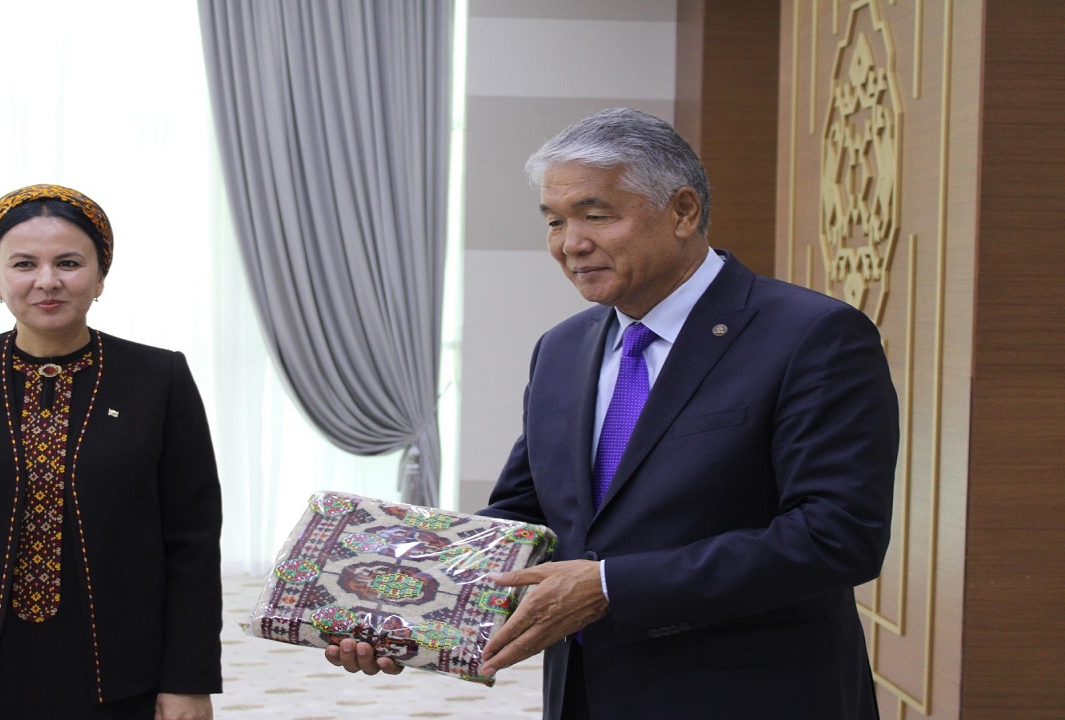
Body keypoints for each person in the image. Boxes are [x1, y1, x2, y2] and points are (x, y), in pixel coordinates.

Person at [326, 108, 899, 719]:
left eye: (595, 216)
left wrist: (609, 587)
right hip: (585, 695)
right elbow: (528, 516)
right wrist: (397, 606)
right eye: (554, 221)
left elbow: (837, 536)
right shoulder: (561, 348)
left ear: (683, 212)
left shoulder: (812, 335)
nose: (570, 244)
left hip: (752, 697)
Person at [0, 184, 223, 720]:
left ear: (100, 277)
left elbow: (192, 542)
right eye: (24, 264)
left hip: (123, 673)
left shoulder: (158, 378)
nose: (47, 281)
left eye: (69, 263)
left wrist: (188, 680)